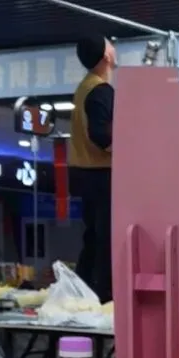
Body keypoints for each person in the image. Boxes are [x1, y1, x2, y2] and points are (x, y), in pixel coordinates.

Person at [70, 33, 116, 302]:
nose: (114, 47)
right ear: (106, 55)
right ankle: (102, 298)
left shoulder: (83, 88)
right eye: (111, 44)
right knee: (106, 239)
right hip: (101, 174)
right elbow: (103, 136)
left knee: (93, 237)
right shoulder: (100, 90)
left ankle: (84, 292)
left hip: (83, 172)